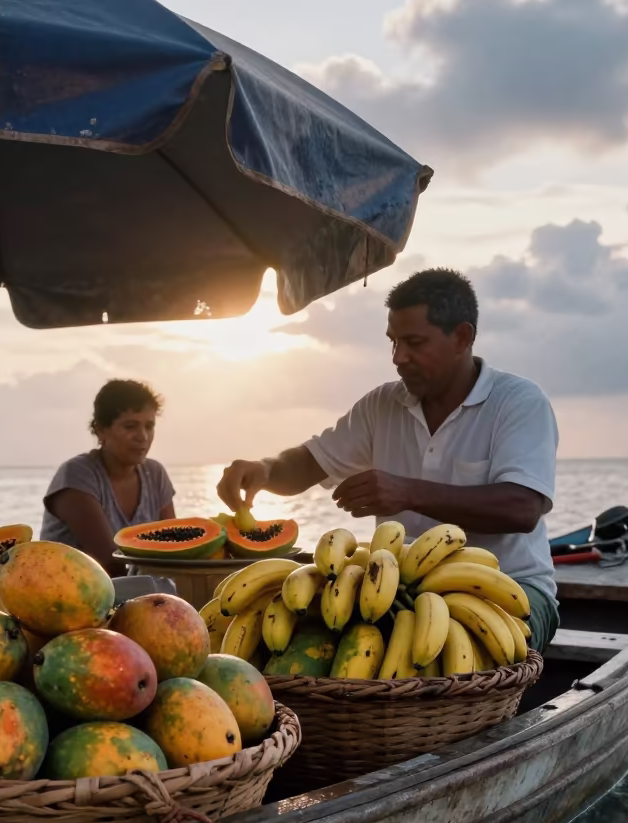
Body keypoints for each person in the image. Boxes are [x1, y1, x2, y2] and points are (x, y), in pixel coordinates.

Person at [216, 268, 560, 651]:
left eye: (413, 342)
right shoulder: (382, 404)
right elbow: (307, 463)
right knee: (303, 646)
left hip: (512, 590)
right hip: (392, 590)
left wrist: (408, 493)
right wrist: (264, 470)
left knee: (456, 657)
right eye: (393, 342)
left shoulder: (518, 402)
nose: (398, 357)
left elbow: (522, 509)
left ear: (462, 337)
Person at [41, 379, 175, 576]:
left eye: (149, 426)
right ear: (101, 430)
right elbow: (109, 563)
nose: (143, 436)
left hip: (135, 592)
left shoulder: (155, 474)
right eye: (130, 426)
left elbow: (176, 550)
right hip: (68, 591)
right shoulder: (78, 474)